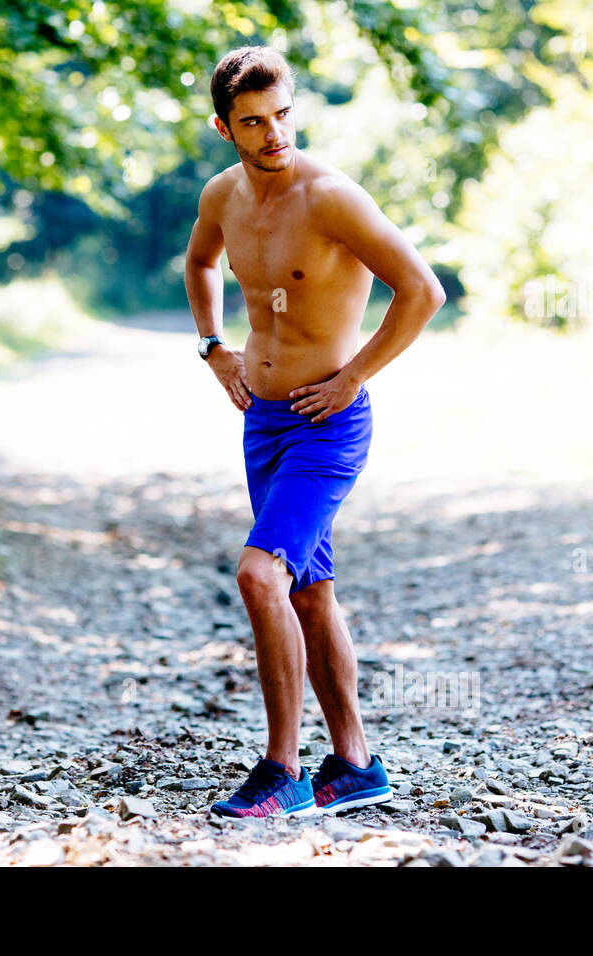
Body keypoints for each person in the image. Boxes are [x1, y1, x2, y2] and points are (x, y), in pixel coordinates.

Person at [184, 46, 446, 818]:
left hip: (326, 425)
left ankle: (282, 771)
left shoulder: (332, 197)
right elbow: (200, 264)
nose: (273, 134)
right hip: (261, 421)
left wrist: (355, 375)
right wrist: (212, 347)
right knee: (308, 592)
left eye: (283, 115)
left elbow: (422, 291)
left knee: (260, 575)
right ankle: (357, 763)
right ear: (224, 127)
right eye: (254, 123)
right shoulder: (223, 196)